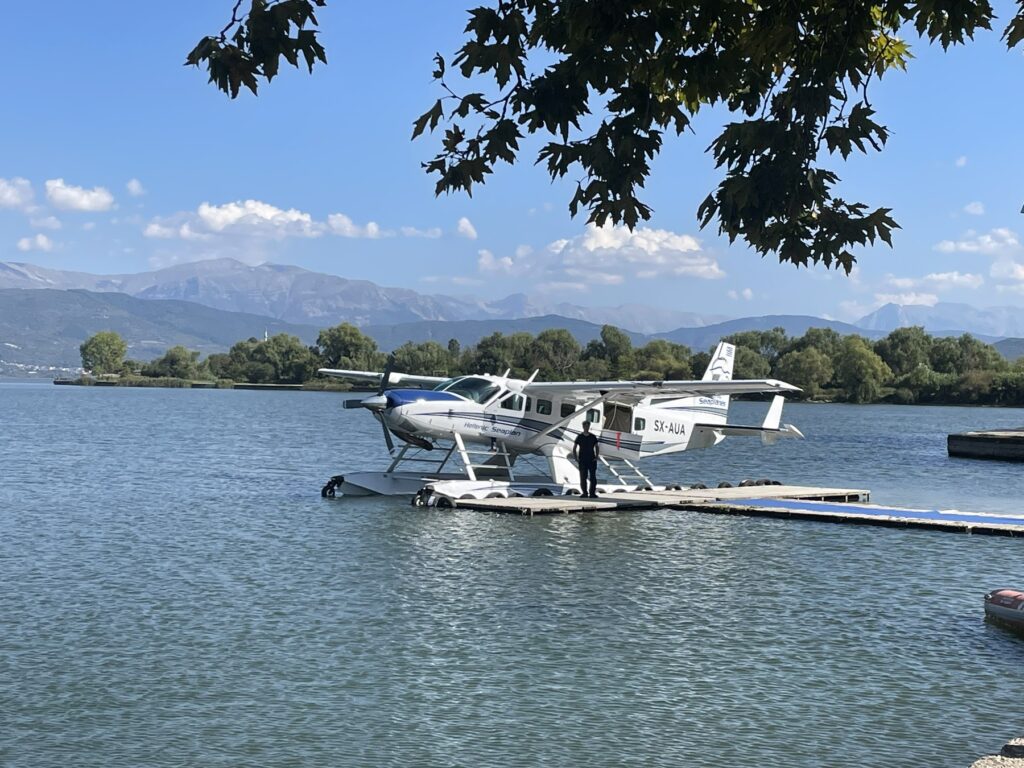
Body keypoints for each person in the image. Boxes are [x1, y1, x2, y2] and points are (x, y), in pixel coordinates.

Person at [573, 420, 600, 498]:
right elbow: (574, 448)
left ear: (589, 427)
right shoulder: (580, 437)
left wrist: (596, 456)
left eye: (588, 426)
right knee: (583, 477)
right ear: (583, 427)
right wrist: (575, 458)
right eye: (585, 426)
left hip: (591, 459)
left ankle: (592, 493)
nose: (586, 427)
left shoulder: (593, 437)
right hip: (582, 460)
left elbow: (596, 446)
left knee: (593, 477)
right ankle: (584, 492)